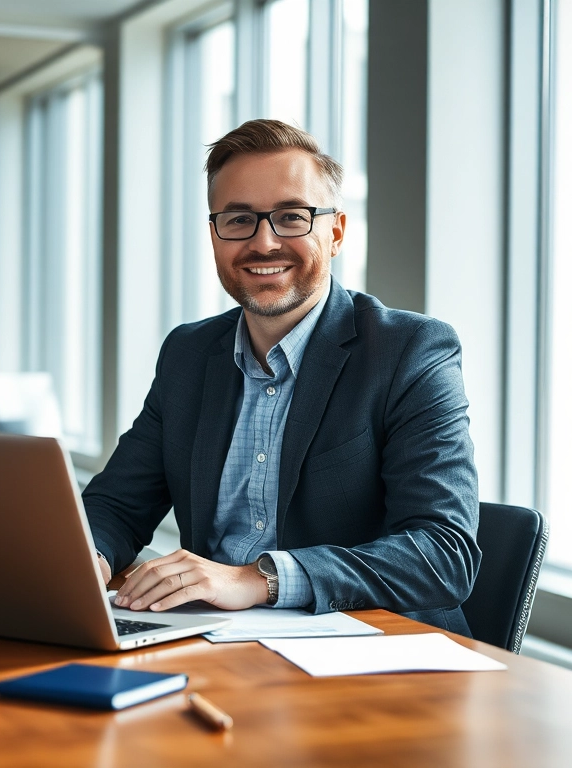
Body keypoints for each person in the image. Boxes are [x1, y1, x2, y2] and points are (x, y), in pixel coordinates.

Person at [83, 119, 480, 636]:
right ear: (214, 235)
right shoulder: (189, 353)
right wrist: (88, 558)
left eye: (292, 217)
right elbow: (117, 502)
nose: (264, 242)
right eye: (239, 219)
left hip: (370, 657)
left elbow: (441, 553)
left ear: (334, 233)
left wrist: (258, 579)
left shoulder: (409, 351)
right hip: (214, 641)